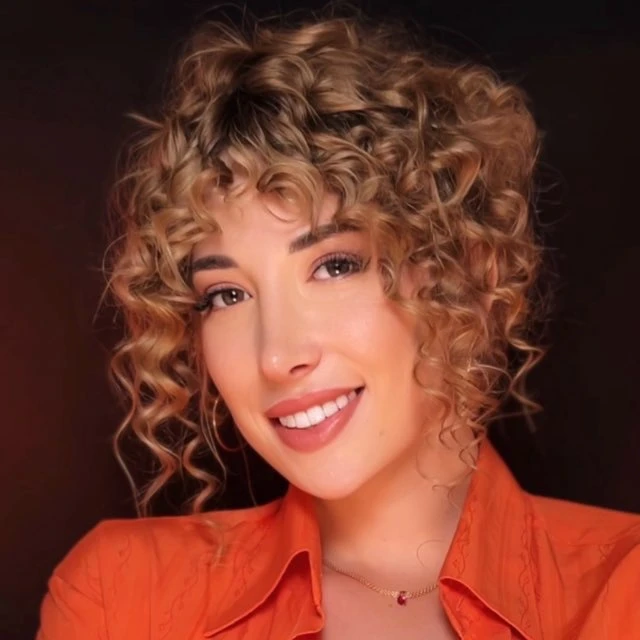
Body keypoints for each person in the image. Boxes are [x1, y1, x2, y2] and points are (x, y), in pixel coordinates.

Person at [37, 12, 640, 640]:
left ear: (466, 271)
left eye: (335, 266)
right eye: (226, 294)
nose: (277, 356)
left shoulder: (622, 589)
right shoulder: (123, 596)